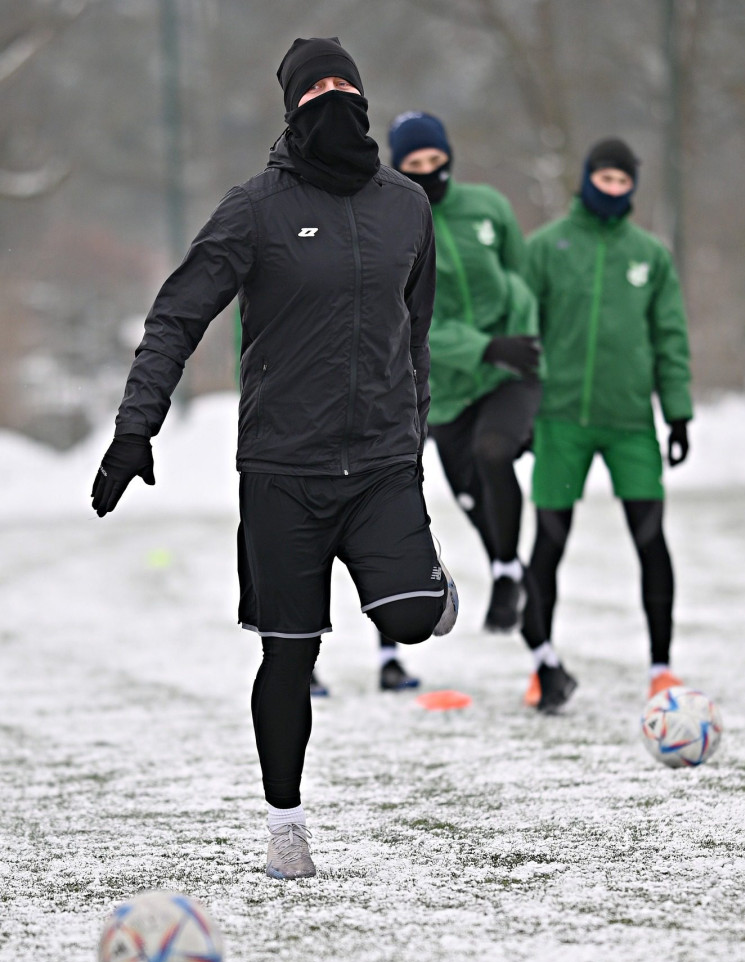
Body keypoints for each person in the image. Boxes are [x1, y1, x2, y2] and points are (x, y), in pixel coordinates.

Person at [91, 37, 458, 880]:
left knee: (408, 617)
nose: (332, 97)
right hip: (282, 470)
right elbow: (177, 316)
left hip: (378, 464)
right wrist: (134, 427)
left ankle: (429, 584)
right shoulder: (254, 208)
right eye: (315, 88)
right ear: (292, 107)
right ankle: (285, 827)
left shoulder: (407, 206)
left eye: (344, 84)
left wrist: (412, 444)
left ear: (365, 98)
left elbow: (418, 337)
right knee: (290, 655)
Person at [520, 137, 693, 712]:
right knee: (549, 543)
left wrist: (678, 413)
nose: (613, 189)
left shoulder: (651, 255)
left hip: (629, 425)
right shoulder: (547, 247)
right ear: (587, 179)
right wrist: (520, 409)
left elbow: (670, 339)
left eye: (623, 182)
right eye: (604, 178)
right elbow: (522, 331)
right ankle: (541, 666)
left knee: (651, 540)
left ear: (632, 187)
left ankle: (662, 668)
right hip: (561, 420)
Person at [388, 111, 542, 633]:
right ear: (398, 166)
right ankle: (507, 561)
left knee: (493, 450)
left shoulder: (489, 207)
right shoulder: (397, 224)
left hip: (508, 373)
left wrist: (517, 341)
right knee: (473, 497)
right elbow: (412, 318)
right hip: (446, 389)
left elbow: (520, 279)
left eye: (436, 159)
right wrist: (483, 347)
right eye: (415, 163)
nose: (429, 170)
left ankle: (505, 575)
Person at [233, 311, 420, 696]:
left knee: (380, 566)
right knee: (305, 566)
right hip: (296, 444)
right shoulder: (273, 265)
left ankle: (389, 660)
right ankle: (303, 663)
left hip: (370, 438)